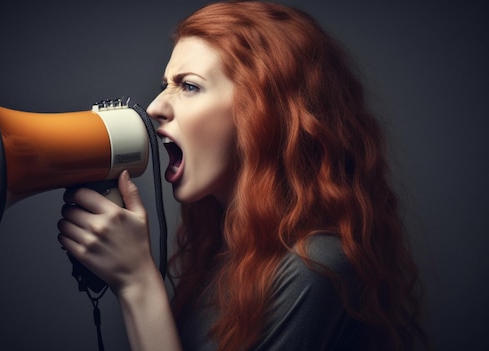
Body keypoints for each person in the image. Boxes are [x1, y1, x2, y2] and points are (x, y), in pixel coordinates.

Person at [58, 1, 428, 350]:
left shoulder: (317, 266)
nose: (154, 107)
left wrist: (136, 283)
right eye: (164, 86)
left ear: (263, 112)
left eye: (188, 86)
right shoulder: (230, 256)